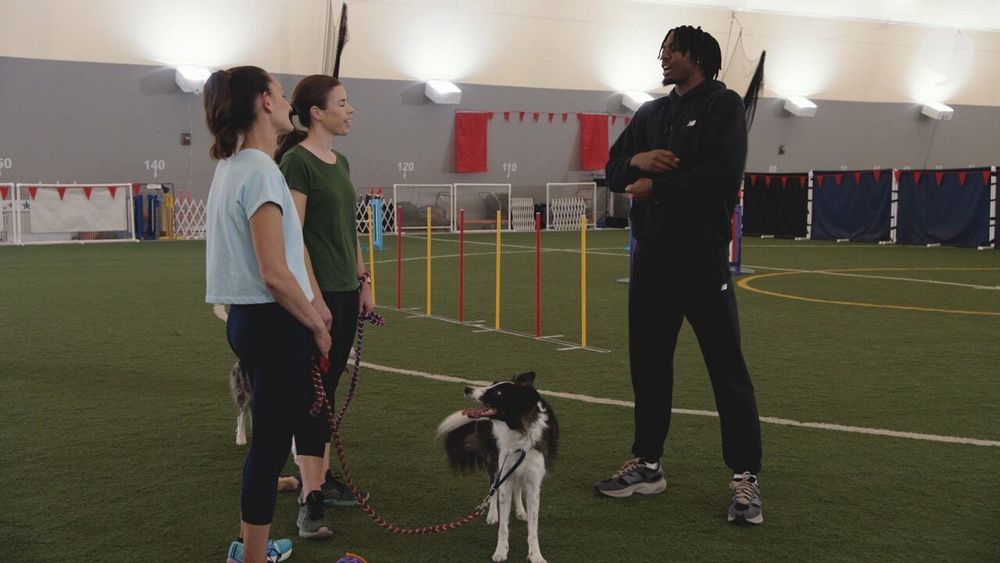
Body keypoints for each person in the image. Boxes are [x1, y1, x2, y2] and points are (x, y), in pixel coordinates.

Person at [595, 25, 764, 525]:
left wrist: (656, 187)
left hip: (701, 260)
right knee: (648, 365)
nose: (663, 58)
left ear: (697, 56)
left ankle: (745, 478)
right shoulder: (651, 112)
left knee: (725, 369)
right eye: (663, 50)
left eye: (671, 50)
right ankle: (647, 464)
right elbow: (612, 168)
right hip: (650, 261)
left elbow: (722, 180)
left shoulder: (722, 106)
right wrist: (636, 160)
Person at [204, 65, 332, 562]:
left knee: (269, 443)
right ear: (262, 102)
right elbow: (275, 273)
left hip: (250, 322)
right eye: (279, 94)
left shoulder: (234, 166)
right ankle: (254, 557)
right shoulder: (259, 171)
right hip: (274, 324)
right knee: (267, 449)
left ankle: (252, 548)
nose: (286, 102)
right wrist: (317, 324)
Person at [275, 75, 374, 539]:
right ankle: (309, 499)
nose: (350, 109)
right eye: (342, 102)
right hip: (321, 297)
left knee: (326, 391)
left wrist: (363, 281)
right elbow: (294, 237)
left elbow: (347, 230)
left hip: (346, 291)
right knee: (313, 397)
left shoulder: (341, 160)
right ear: (317, 112)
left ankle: (322, 482)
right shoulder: (296, 162)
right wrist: (314, 295)